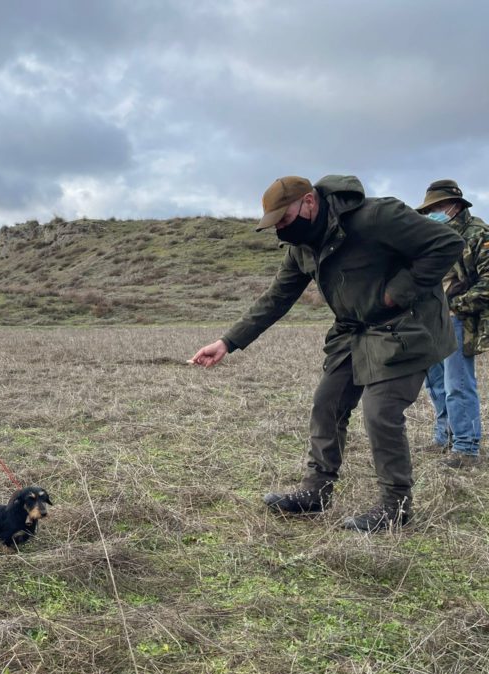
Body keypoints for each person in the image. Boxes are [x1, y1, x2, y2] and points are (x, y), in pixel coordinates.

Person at [190, 175, 463, 533]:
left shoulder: (377, 217)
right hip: (354, 330)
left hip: (407, 326)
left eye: (284, 220)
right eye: (274, 226)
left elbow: (447, 243)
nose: (282, 231)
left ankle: (395, 507)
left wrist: (398, 292)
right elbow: (276, 298)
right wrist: (227, 342)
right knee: (326, 404)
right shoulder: (301, 244)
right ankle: (315, 492)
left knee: (381, 412)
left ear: (308, 202)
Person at [415, 180, 488, 468]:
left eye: (437, 207)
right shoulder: (429, 238)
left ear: (455, 205)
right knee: (434, 383)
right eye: (428, 209)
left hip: (458, 320)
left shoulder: (479, 234)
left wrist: (453, 306)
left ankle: (467, 447)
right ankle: (444, 437)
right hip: (429, 320)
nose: (432, 213)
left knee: (457, 383)